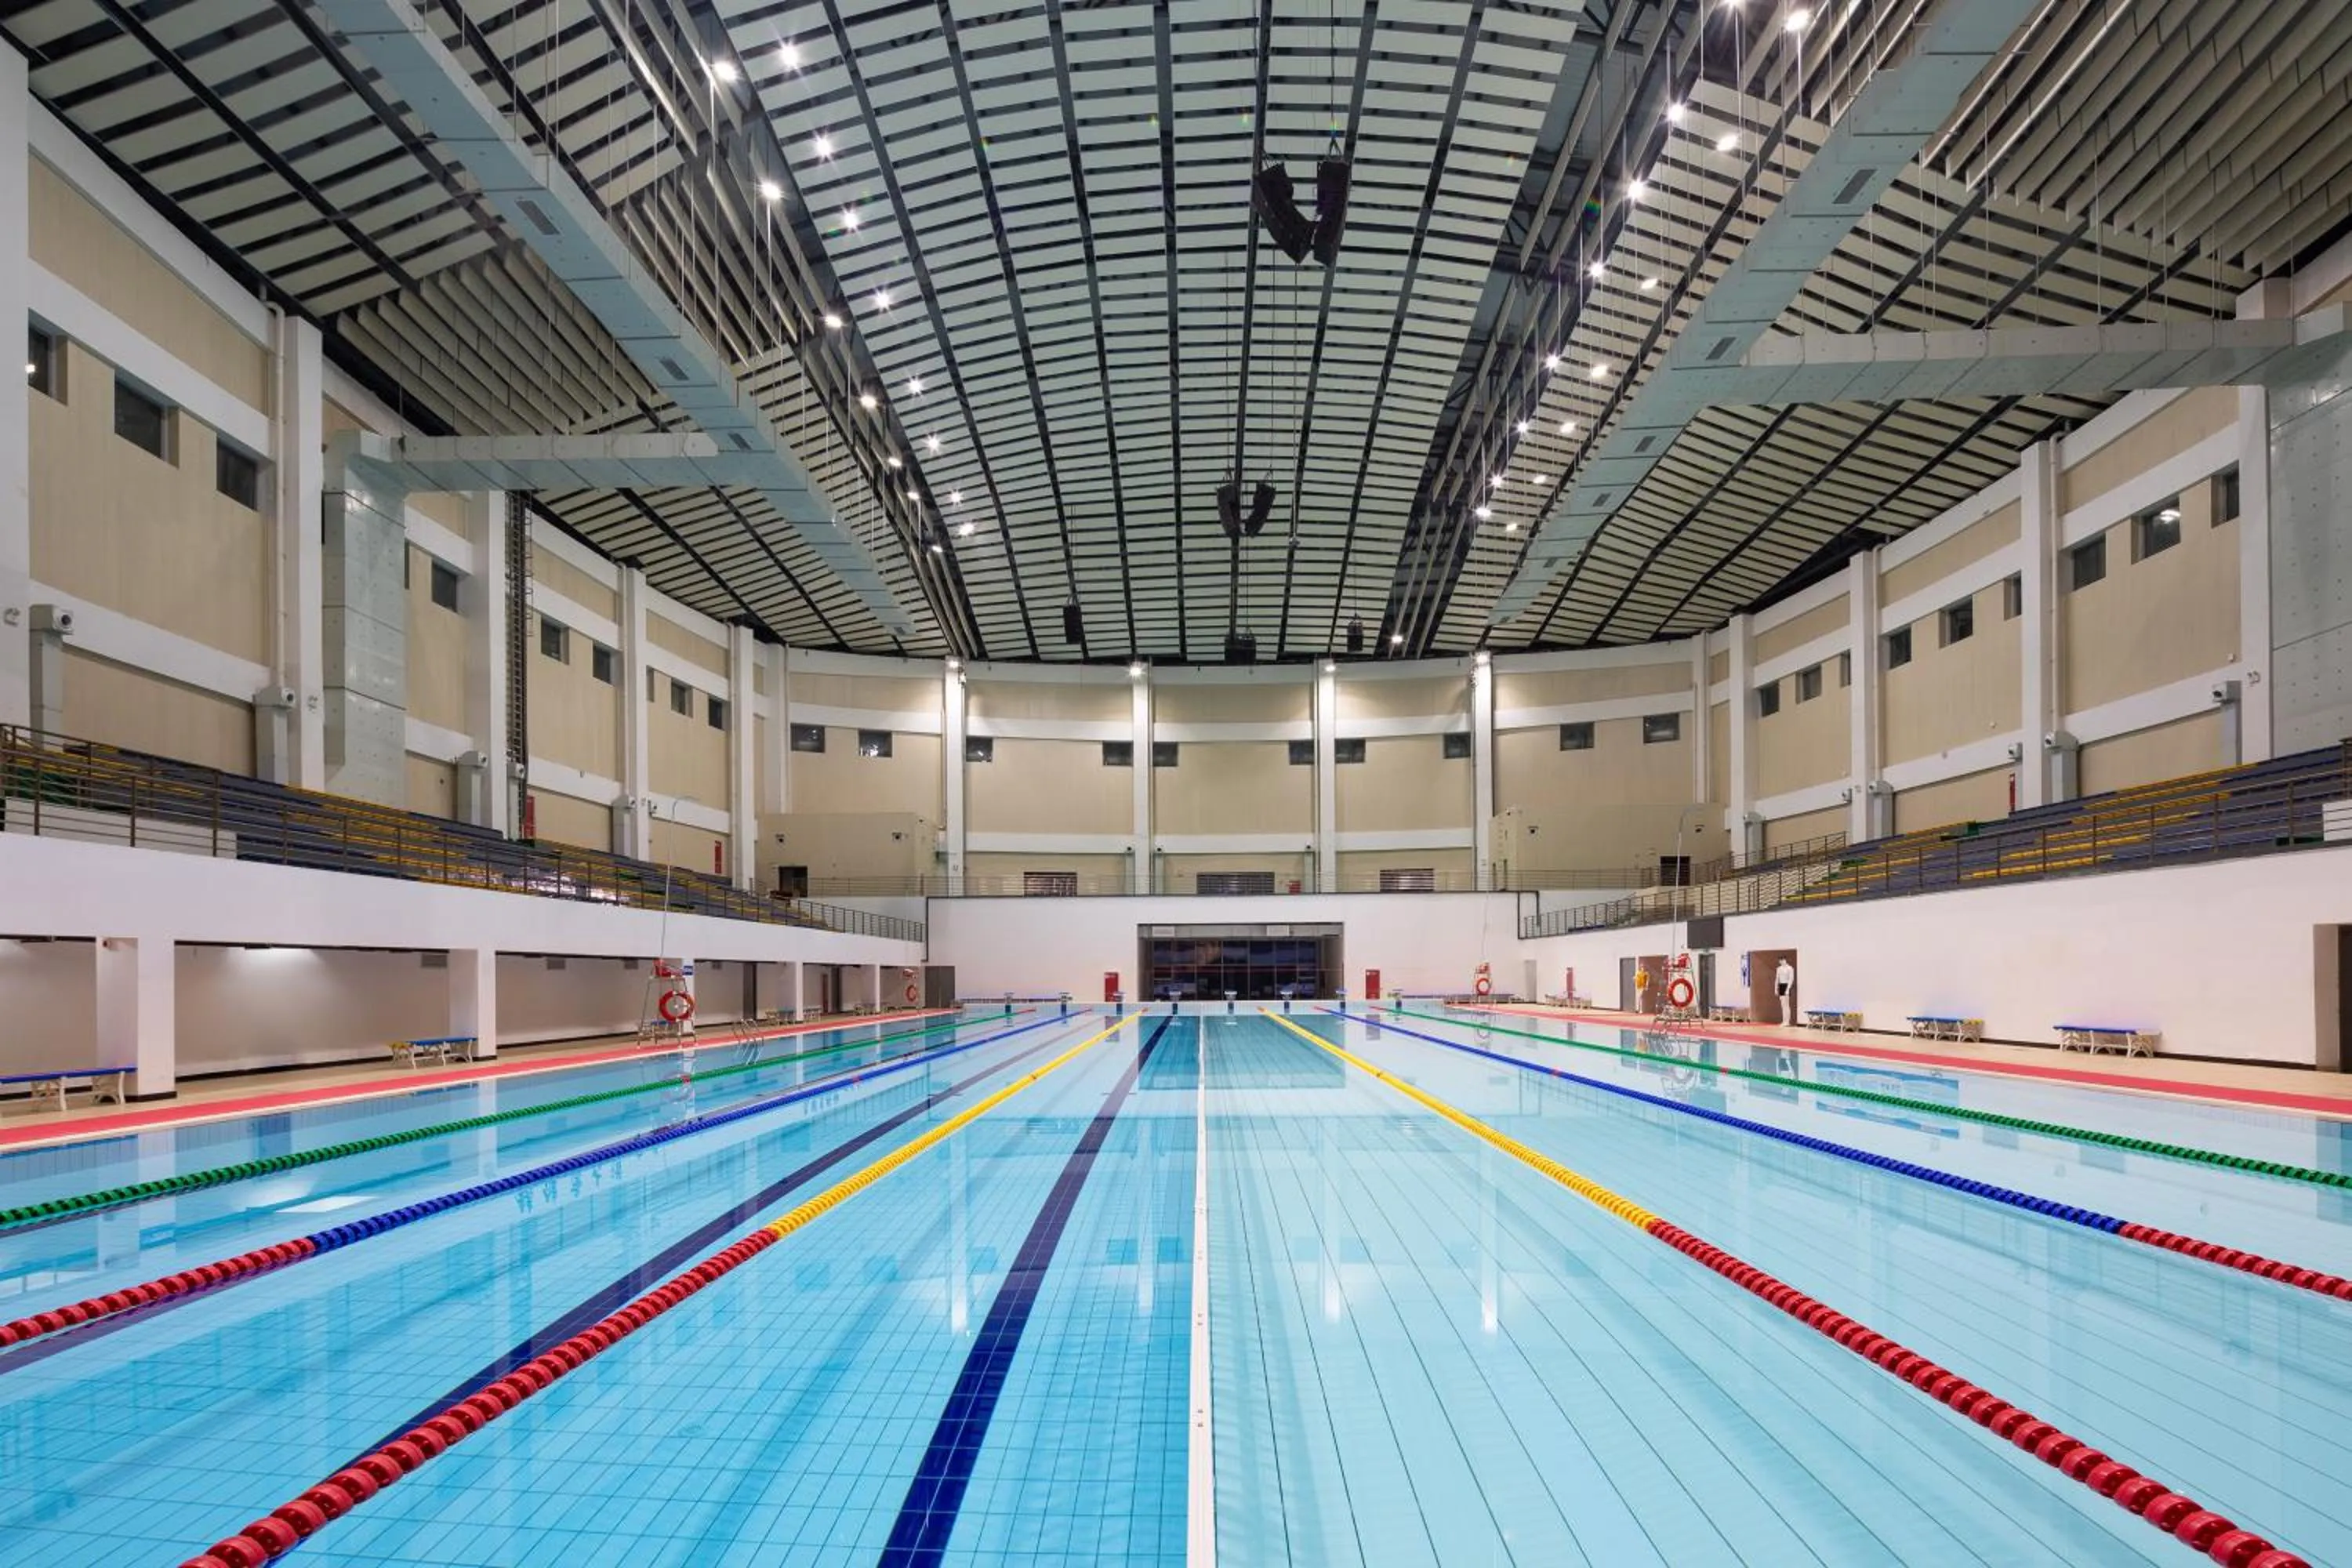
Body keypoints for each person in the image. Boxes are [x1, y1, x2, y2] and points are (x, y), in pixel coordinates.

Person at [1775, 956, 1796, 1025]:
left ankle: (1787, 1021)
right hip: (1781, 985)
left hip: (1786, 985)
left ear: (1785, 960)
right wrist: (1776, 988)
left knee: (1786, 1005)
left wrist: (1788, 989)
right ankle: (1784, 1021)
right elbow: (1777, 979)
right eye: (1780, 961)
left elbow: (1791, 979)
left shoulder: (1790, 968)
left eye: (1782, 961)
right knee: (1783, 1005)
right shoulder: (1779, 969)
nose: (1781, 962)